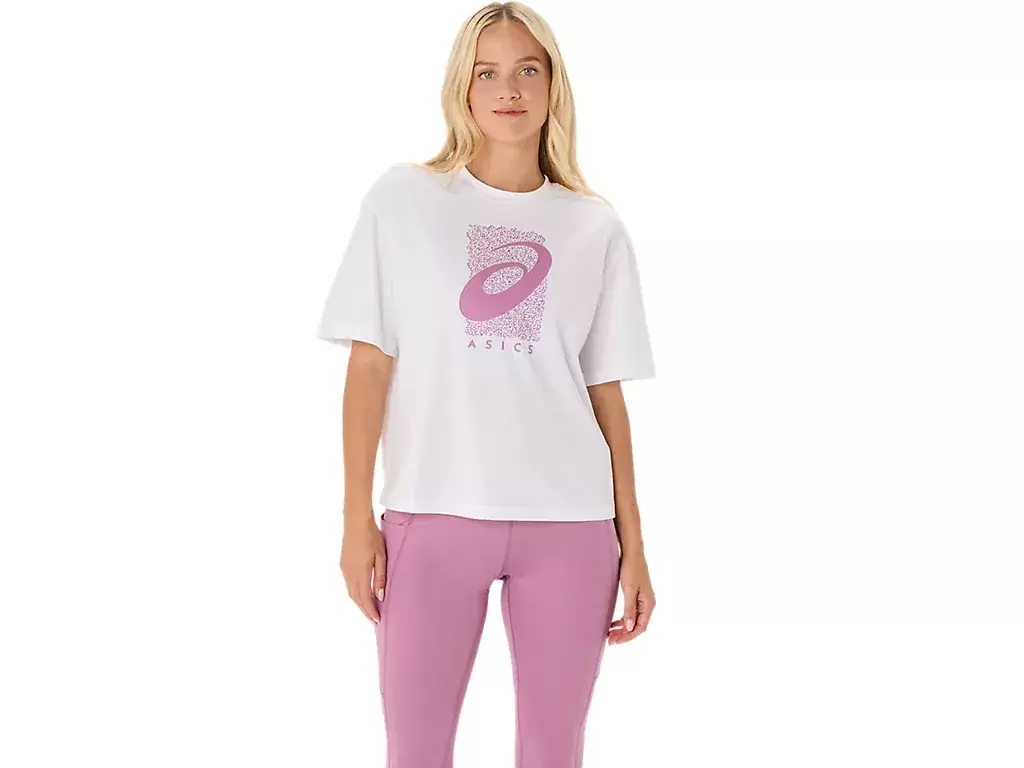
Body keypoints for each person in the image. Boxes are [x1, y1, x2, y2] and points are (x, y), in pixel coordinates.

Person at [316, 3, 657, 765]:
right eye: (488, 73)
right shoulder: (404, 199)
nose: (509, 89)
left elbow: (606, 395)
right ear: (462, 89)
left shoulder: (594, 226)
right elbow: (369, 366)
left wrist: (634, 545)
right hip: (432, 514)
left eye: (528, 70)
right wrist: (354, 520)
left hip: (571, 523)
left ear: (553, 85)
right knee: (416, 750)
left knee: (553, 750)